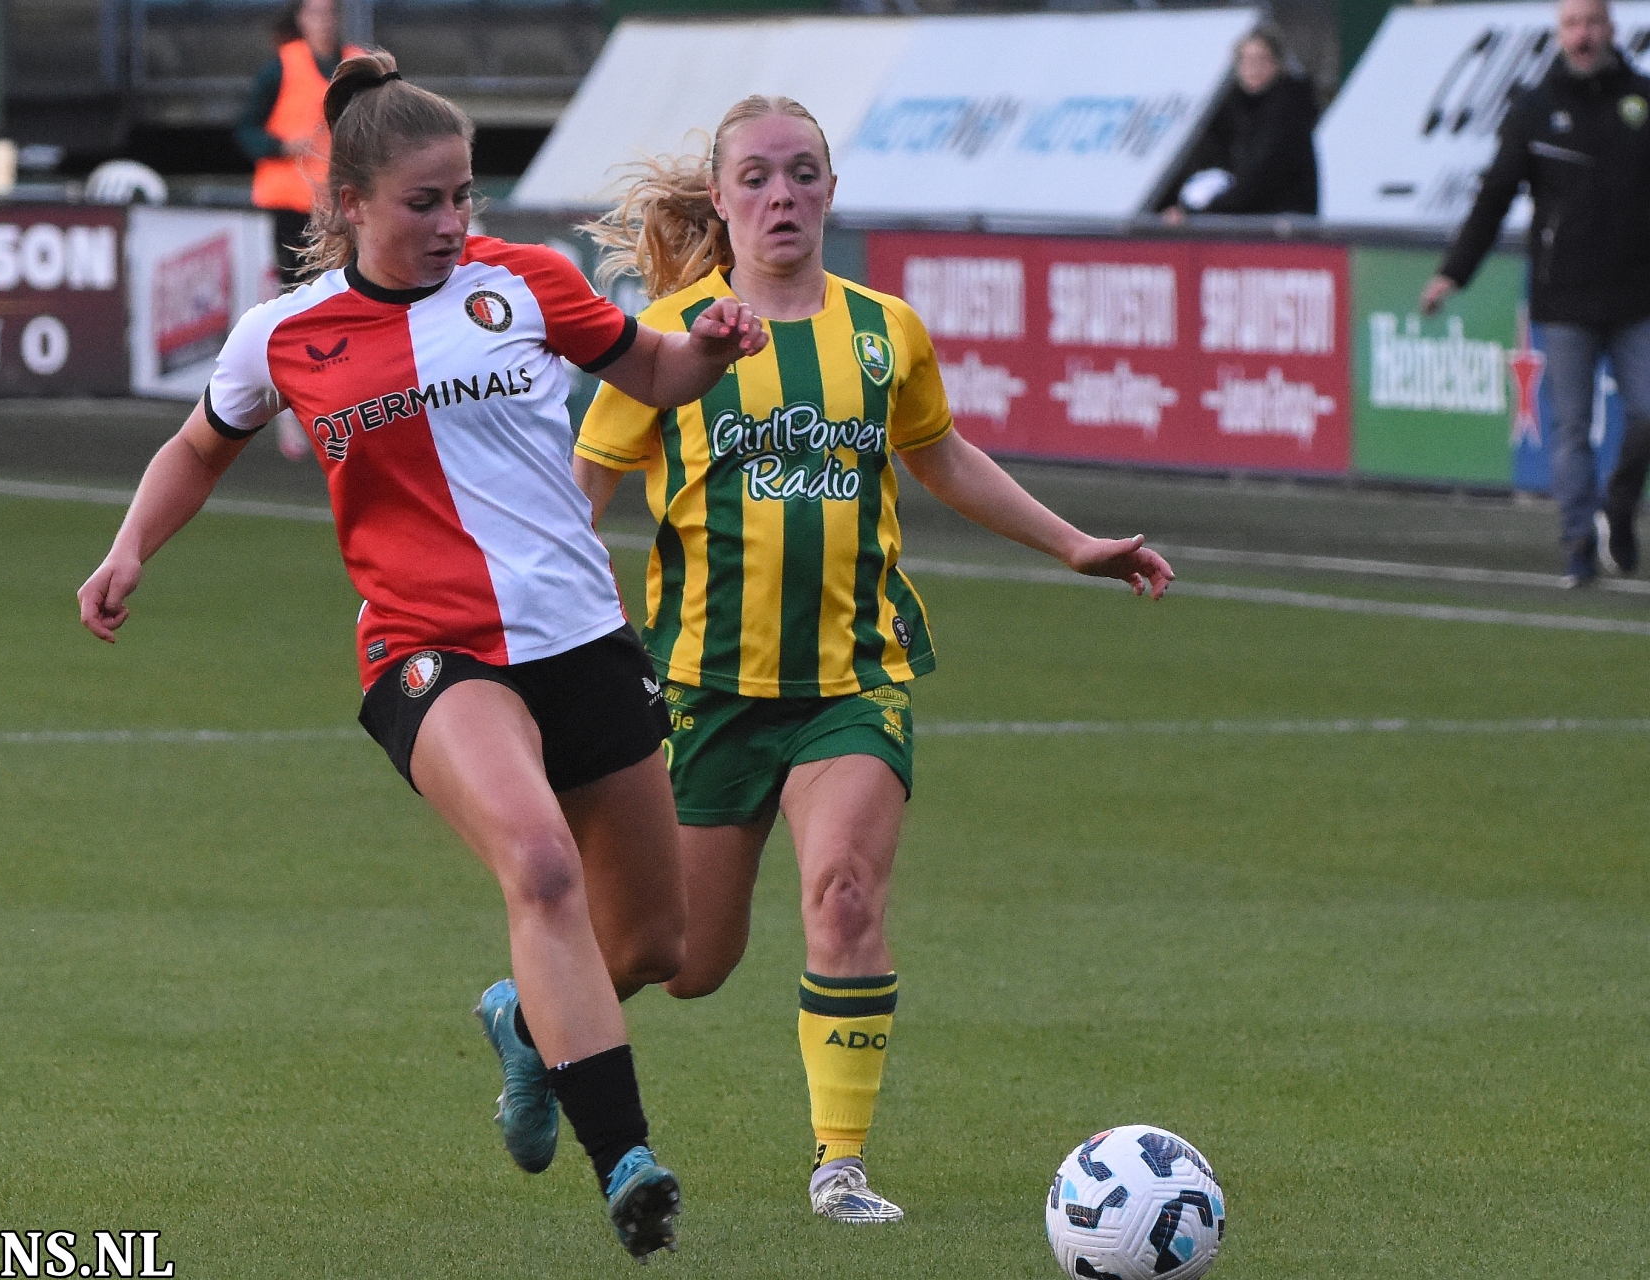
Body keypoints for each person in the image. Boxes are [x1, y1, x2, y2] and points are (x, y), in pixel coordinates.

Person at [78, 51, 766, 1261]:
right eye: (424, 201)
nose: (453, 222)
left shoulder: (532, 282)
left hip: (583, 637)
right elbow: (196, 448)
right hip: (427, 654)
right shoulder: (284, 336)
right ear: (350, 203)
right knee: (540, 867)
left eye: (464, 196)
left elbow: (650, 373)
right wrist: (130, 548)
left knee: (660, 941)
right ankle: (632, 1164)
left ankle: (526, 1016)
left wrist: (709, 342)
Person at [574, 96, 1175, 1224]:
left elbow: (938, 453)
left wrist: (1073, 543)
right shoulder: (664, 339)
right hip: (705, 689)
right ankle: (537, 1005)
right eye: (756, 176)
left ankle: (839, 1162)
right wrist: (563, 632)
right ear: (720, 197)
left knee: (845, 893)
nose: (782, 195)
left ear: (833, 192)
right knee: (686, 959)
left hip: (853, 678)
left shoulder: (883, 329)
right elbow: (582, 494)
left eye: (804, 173)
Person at [1422, 0, 1650, 585]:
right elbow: (1494, 195)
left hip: (1636, 294)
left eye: (1593, 23)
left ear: (1611, 29)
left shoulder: (1641, 100)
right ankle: (1577, 541)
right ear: (1559, 32)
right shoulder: (1534, 108)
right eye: (1573, 25)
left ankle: (1617, 509)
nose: (1583, 35)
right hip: (1565, 296)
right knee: (1571, 429)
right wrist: (1455, 271)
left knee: (1647, 412)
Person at [236, 0, 363, 289]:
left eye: (330, 13)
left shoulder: (358, 65)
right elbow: (246, 129)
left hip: (346, 203)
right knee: (298, 288)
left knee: (347, 286)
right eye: (316, 14)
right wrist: (281, 146)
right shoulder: (280, 67)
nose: (324, 21)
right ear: (301, 20)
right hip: (293, 206)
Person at [1158, 26, 1318, 222]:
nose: (1253, 67)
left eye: (1261, 59)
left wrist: (1200, 214)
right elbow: (1205, 158)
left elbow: (1260, 178)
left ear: (1277, 63)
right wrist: (1179, 206)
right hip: (1248, 223)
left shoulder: (1287, 110)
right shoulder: (1235, 108)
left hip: (1283, 229)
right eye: (1245, 60)